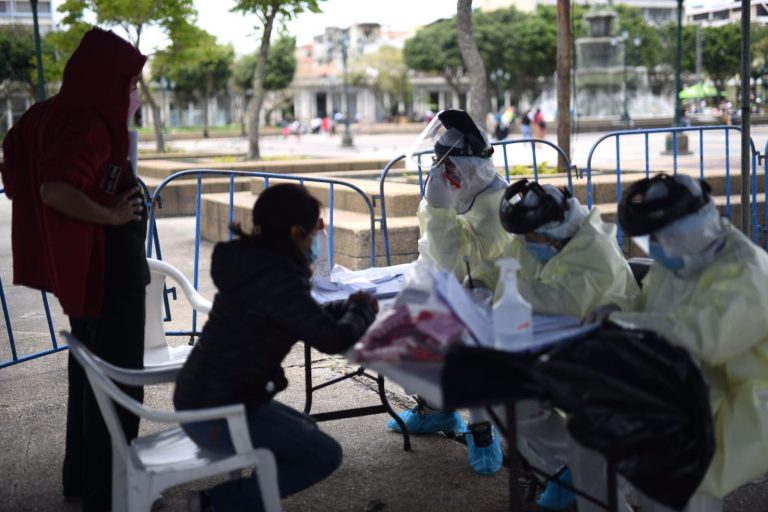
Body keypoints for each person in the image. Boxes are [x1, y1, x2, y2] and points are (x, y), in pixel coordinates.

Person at [0, 28, 148, 511]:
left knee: (89, 377)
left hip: (86, 271)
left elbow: (16, 156)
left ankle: (83, 480)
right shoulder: (87, 121)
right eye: (129, 84)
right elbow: (54, 189)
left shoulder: (51, 112)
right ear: (107, 80)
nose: (134, 94)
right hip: (108, 272)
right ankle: (114, 495)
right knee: (118, 385)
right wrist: (110, 214)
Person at [174, 183, 378, 512]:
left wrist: (345, 308)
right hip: (218, 413)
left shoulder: (255, 264)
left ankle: (243, 497)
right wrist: (363, 310)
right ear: (296, 232)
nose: (316, 243)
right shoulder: (278, 277)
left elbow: (297, 316)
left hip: (204, 396)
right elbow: (332, 339)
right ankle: (216, 503)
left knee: (306, 430)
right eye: (313, 235)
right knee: (324, 455)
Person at [607, 173, 768, 512]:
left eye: (659, 236)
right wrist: (616, 311)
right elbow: (651, 307)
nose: (654, 245)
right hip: (691, 382)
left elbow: (701, 337)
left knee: (681, 483)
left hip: (743, 398)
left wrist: (619, 324)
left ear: (690, 226)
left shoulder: (745, 270)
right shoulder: (685, 254)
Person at [484, 178, 640, 511]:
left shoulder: (593, 251)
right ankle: (564, 469)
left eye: (531, 238)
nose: (526, 244)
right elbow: (505, 269)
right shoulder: (540, 237)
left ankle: (585, 476)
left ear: (554, 229)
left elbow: (558, 305)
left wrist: (503, 304)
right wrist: (480, 284)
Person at [386, 109, 509, 475]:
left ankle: (480, 428)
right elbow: (435, 259)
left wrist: (437, 210)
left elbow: (455, 261)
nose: (441, 173)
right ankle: (434, 408)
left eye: (448, 166)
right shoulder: (468, 191)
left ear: (469, 167)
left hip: (493, 308)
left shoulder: (495, 205)